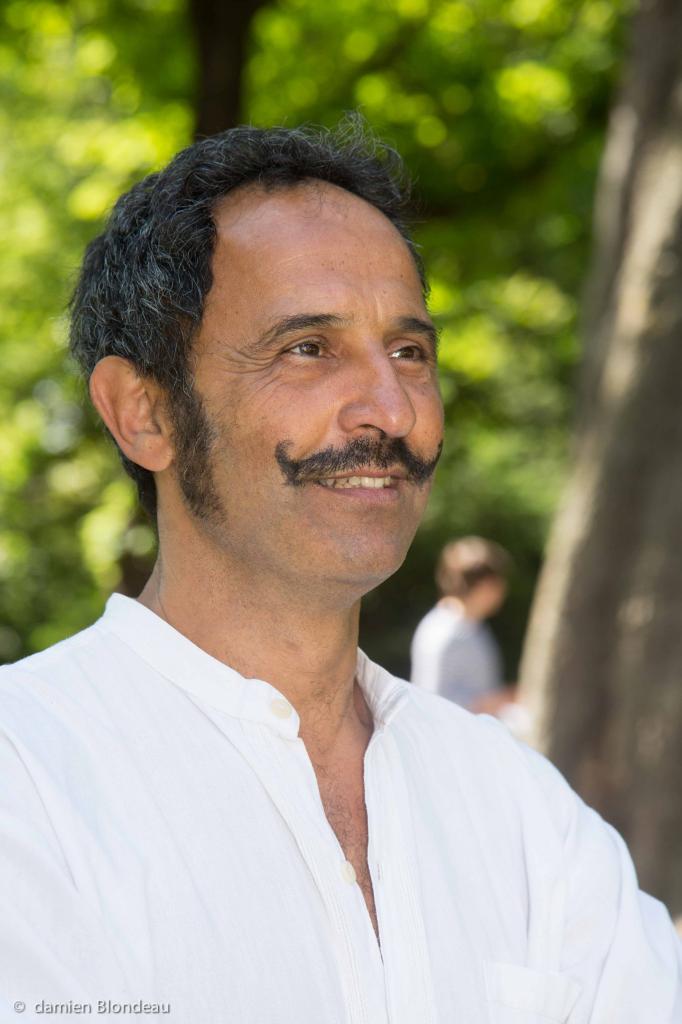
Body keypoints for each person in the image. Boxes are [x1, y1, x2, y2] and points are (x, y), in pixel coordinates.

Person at [0, 123, 680, 1024]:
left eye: (410, 352)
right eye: (308, 348)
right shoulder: (28, 781)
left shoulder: (519, 810)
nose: (391, 410)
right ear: (144, 413)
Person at [410, 536, 510, 711]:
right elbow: (434, 701)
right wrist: (497, 701)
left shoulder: (471, 626)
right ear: (486, 586)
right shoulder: (444, 632)